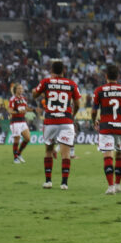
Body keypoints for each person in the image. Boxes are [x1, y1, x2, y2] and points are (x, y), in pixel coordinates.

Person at [90, 64, 121, 195]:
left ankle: (110, 186)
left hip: (106, 127)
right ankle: (118, 184)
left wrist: (94, 121)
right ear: (118, 76)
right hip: (120, 127)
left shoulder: (99, 91)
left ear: (106, 76)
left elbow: (94, 111)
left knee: (107, 155)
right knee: (119, 154)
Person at [31, 60, 81, 190]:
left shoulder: (46, 82)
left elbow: (34, 95)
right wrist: (72, 115)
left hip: (50, 122)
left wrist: (35, 90)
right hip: (66, 121)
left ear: (51, 71)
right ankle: (64, 183)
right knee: (66, 154)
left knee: (48, 151)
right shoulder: (71, 84)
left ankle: (48, 181)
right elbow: (78, 104)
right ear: (63, 71)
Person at [8, 83, 33, 164]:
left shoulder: (23, 98)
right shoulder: (13, 99)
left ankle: (18, 154)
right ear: (15, 90)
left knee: (28, 138)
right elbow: (10, 110)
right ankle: (15, 158)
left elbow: (25, 108)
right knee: (17, 139)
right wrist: (18, 111)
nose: (21, 90)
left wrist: (32, 109)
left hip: (22, 121)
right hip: (15, 122)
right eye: (19, 88)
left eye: (21, 88)